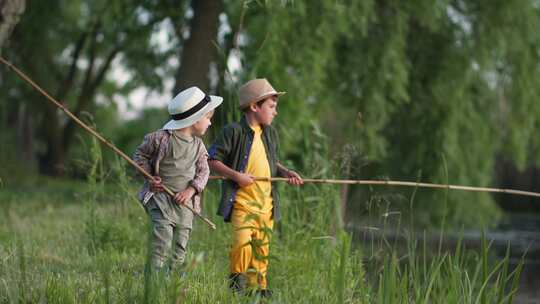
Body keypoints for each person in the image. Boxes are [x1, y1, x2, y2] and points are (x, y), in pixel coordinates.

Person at [208, 78, 303, 297]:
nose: (275, 112)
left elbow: (269, 162)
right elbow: (212, 160)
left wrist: (285, 172)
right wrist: (236, 176)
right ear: (254, 106)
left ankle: (257, 291)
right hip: (242, 203)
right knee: (243, 245)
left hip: (266, 205)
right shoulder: (233, 131)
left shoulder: (270, 133)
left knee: (262, 251)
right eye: (271, 106)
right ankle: (236, 287)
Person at [133, 86, 222, 274]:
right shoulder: (161, 139)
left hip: (185, 205)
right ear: (196, 119)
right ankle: (155, 278)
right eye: (208, 119)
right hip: (161, 199)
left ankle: (172, 278)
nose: (210, 123)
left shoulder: (198, 146)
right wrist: (150, 176)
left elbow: (203, 172)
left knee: (180, 246)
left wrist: (191, 190)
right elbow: (140, 155)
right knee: (162, 241)